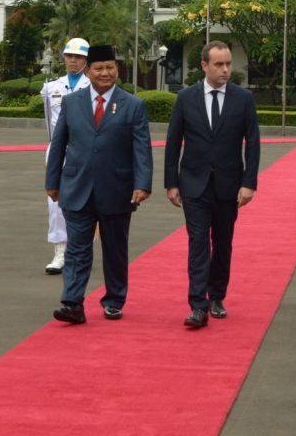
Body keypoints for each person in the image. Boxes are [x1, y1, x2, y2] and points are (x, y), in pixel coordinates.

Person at [45, 45, 153, 324]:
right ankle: (72, 303)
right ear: (88, 70)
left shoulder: (133, 104)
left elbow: (142, 149)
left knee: (115, 249)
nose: (105, 73)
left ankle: (114, 299)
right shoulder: (72, 102)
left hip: (117, 189)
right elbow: (58, 144)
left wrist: (143, 184)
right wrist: (52, 181)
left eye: (110, 67)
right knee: (77, 249)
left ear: (117, 69)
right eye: (99, 68)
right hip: (76, 187)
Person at [164, 41, 260, 329]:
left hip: (229, 186)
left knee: (222, 243)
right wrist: (171, 183)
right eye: (219, 64)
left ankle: (217, 295)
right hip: (193, 184)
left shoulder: (243, 99)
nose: (226, 69)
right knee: (197, 243)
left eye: (228, 63)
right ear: (204, 65)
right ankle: (198, 306)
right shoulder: (186, 98)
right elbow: (172, 142)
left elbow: (252, 143)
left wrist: (248, 184)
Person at [39, 38, 91, 275]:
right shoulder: (51, 87)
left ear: (85, 60)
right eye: (69, 56)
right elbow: (49, 121)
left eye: (78, 57)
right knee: (55, 202)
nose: (73, 60)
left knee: (85, 201)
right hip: (58, 150)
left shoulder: (92, 86)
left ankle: (79, 249)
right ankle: (60, 250)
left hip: (84, 150)